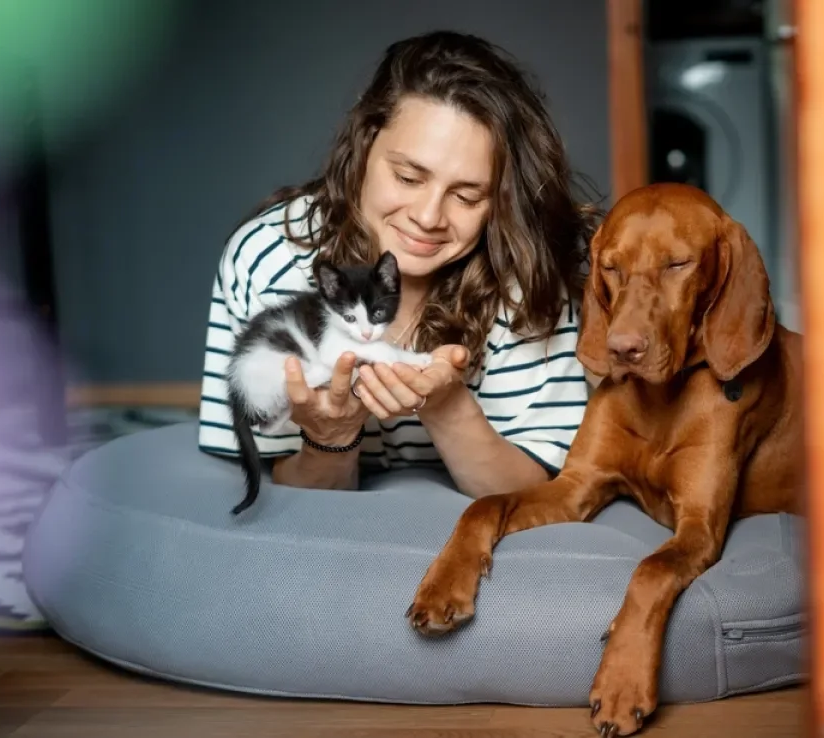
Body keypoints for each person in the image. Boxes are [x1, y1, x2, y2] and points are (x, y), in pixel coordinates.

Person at [197, 30, 599, 499]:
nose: (428, 218)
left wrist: (447, 407)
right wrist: (331, 437)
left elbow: (529, 491)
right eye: (408, 177)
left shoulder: (526, 277)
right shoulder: (274, 254)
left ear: (500, 202)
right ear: (365, 146)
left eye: (467, 196)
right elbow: (288, 501)